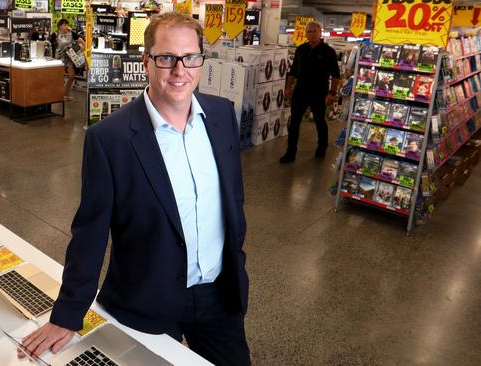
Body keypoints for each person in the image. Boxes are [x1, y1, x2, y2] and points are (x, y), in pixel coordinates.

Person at [19, 12, 250, 366]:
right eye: (166, 58)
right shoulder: (110, 139)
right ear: (146, 61)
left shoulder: (221, 117)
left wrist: (237, 260)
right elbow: (90, 233)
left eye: (190, 57)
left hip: (218, 296)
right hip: (147, 300)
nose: (179, 70)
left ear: (201, 59)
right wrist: (67, 314)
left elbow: (232, 200)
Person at [280, 21, 340, 163]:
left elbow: (336, 75)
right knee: (294, 122)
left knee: (319, 121)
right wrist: (288, 87)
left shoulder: (328, 52)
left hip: (319, 93)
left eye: (314, 31)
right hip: (300, 91)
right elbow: (293, 71)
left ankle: (322, 146)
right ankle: (291, 152)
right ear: (305, 34)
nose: (311, 34)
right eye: (309, 32)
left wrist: (332, 93)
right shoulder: (301, 49)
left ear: (320, 33)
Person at [50, 19, 85, 100]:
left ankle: (66, 93)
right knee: (60, 77)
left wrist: (86, 46)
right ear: (60, 26)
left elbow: (79, 39)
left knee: (72, 76)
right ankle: (59, 94)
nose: (66, 27)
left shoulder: (71, 33)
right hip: (58, 58)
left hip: (70, 57)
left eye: (67, 25)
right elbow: (50, 45)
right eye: (64, 25)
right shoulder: (55, 34)